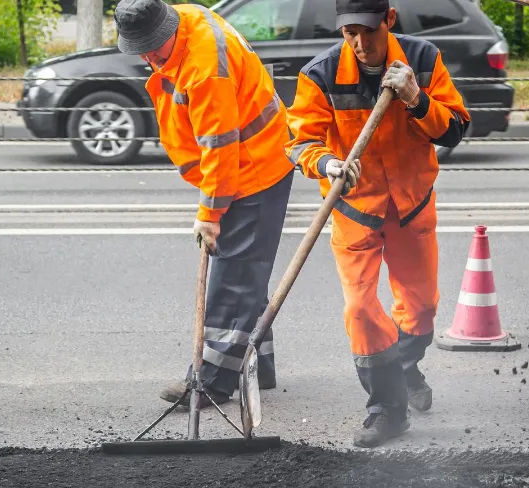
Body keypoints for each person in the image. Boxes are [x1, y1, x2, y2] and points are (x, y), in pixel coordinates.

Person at [284, 0, 470, 447]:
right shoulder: (320, 73)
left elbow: (455, 129)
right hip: (355, 209)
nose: (360, 43)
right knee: (360, 311)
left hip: (410, 206)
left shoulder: (423, 60)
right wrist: (327, 164)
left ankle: (404, 367)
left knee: (421, 307)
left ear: (388, 19)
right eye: (349, 33)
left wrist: (416, 99)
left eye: (368, 31)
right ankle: (387, 409)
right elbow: (299, 143)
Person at [114, 0, 295, 408]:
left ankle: (211, 382)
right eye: (140, 49)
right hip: (247, 163)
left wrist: (209, 216)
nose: (148, 58)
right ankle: (254, 365)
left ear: (170, 28)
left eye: (154, 48)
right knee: (246, 275)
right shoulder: (186, 16)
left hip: (253, 169)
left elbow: (220, 146)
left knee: (232, 279)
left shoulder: (204, 67)